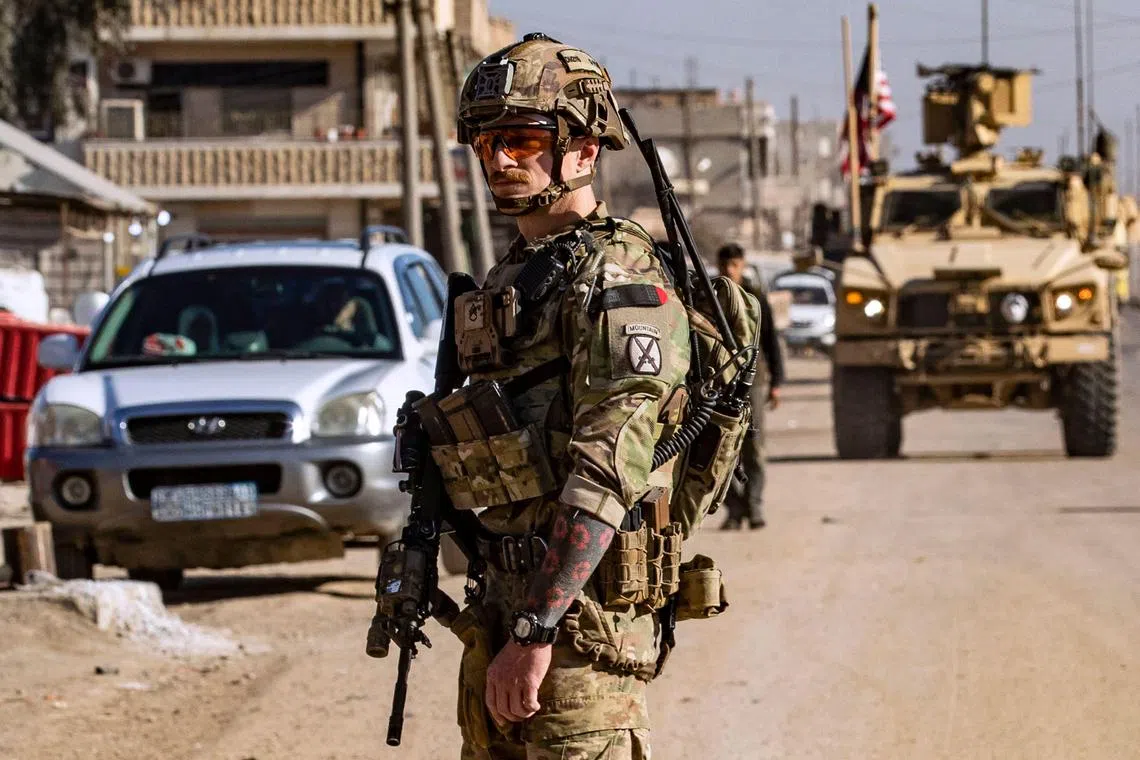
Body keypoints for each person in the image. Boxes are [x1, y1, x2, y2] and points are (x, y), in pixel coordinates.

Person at [435, 32, 691, 759]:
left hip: (579, 633)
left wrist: (538, 629)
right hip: (505, 613)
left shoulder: (619, 283)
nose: (501, 159)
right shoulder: (513, 275)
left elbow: (609, 467)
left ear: (583, 148)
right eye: (486, 144)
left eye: (520, 138)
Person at [715, 243, 784, 530]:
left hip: (753, 379)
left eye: (735, 265)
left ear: (742, 265)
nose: (730, 271)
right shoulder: (711, 295)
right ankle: (734, 509)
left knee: (754, 446)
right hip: (719, 380)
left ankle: (754, 506)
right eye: (725, 266)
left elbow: (770, 340)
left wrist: (776, 383)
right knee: (722, 447)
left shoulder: (755, 298)